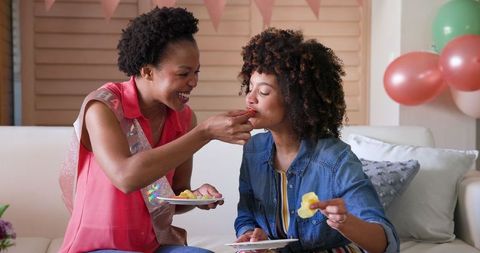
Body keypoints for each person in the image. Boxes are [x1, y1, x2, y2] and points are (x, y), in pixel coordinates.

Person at [58, 7, 254, 253]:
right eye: (184, 73)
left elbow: (172, 195)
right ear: (148, 71)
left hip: (151, 246)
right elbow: (126, 178)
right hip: (95, 248)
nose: (193, 82)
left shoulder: (183, 118)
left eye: (196, 72)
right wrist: (205, 133)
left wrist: (195, 196)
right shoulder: (103, 107)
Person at [234, 28, 399, 253]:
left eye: (263, 92)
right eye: (250, 88)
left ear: (294, 99)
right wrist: (250, 235)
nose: (250, 98)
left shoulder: (336, 158)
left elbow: (385, 244)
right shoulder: (253, 149)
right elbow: (246, 213)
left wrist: (345, 222)